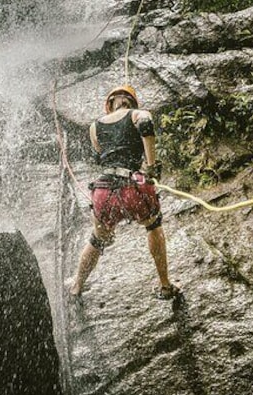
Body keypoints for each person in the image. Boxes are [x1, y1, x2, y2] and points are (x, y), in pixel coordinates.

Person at [69, 85, 180, 300]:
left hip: (104, 192)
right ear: (131, 102)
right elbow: (146, 124)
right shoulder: (138, 114)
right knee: (153, 226)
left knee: (98, 239)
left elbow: (101, 153)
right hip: (134, 189)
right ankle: (165, 285)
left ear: (110, 104)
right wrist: (151, 165)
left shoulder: (94, 127)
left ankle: (77, 285)